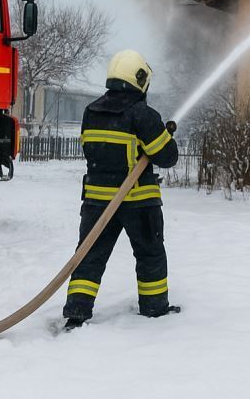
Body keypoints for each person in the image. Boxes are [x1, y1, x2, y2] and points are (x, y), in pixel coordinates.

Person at [63, 49, 180, 330]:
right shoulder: (142, 114)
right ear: (140, 80)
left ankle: (77, 311)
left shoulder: (91, 112)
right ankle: (154, 308)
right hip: (138, 202)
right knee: (149, 253)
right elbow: (167, 157)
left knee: (89, 255)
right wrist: (163, 136)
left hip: (96, 203)